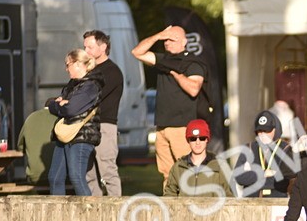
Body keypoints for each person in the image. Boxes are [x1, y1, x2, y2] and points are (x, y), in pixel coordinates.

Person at [130, 25, 206, 188]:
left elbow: (193, 89)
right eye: (165, 40)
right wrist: (158, 35)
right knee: (167, 173)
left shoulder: (192, 63)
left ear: (184, 42)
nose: (167, 43)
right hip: (162, 126)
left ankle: (189, 208)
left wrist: (174, 73)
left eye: (172, 39)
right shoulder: (163, 60)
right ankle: (169, 207)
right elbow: (137, 52)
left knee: (185, 172)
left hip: (181, 126)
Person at [46, 49, 103, 196]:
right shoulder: (72, 85)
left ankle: (90, 213)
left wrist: (62, 104)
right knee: (54, 178)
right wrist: (58, 104)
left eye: (68, 64)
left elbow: (70, 109)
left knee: (76, 177)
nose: (66, 69)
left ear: (78, 64)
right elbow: (51, 104)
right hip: (65, 136)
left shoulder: (91, 86)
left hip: (82, 137)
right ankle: (58, 215)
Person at [83, 30, 124, 196]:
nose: (86, 51)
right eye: (85, 47)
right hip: (87, 125)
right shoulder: (89, 71)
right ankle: (95, 210)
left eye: (90, 47)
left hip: (104, 126)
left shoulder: (112, 72)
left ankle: (117, 210)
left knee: (108, 171)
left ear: (103, 47)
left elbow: (92, 97)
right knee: (89, 173)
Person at [234, 110, 303, 197]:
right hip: (252, 203)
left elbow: (286, 178)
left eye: (266, 131)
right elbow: (238, 177)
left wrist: (252, 175)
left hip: (277, 203)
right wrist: (264, 173)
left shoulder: (286, 149)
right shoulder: (249, 148)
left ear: (275, 130)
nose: (263, 134)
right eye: (260, 131)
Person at [165, 119, 226, 197]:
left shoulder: (219, 166)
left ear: (207, 139)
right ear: (188, 141)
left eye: (202, 138)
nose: (198, 142)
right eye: (193, 139)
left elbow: (229, 199)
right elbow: (169, 197)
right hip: (184, 209)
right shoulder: (178, 167)